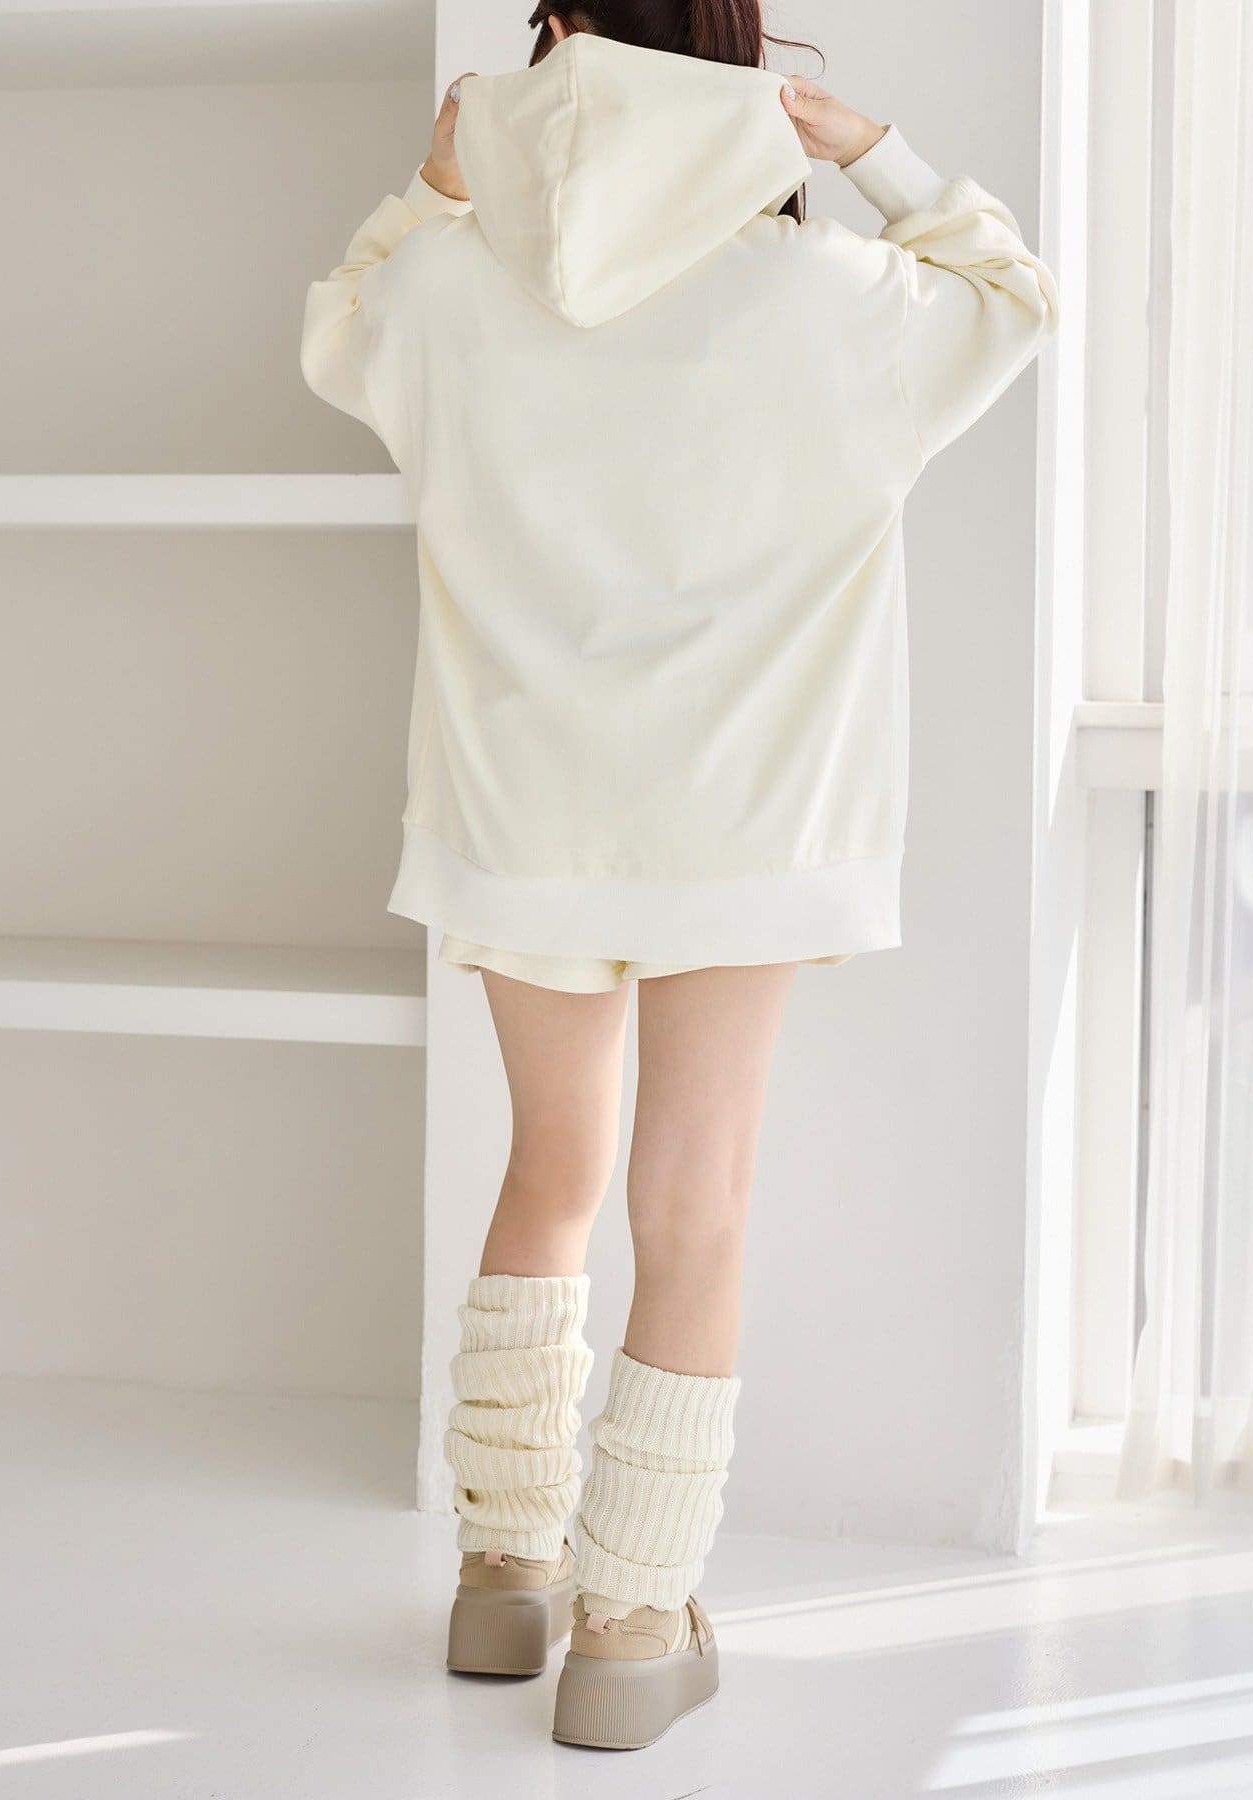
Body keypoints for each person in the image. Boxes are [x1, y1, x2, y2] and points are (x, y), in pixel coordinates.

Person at [301, 0, 1057, 1751]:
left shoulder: (449, 294)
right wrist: (872, 151)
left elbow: (340, 329)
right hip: (748, 825)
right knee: (692, 1199)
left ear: (555, 44)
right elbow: (1014, 296)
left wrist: (432, 190)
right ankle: (632, 1628)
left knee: (548, 1170)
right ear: (747, 69)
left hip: (521, 813)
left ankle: (505, 1576)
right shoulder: (835, 303)